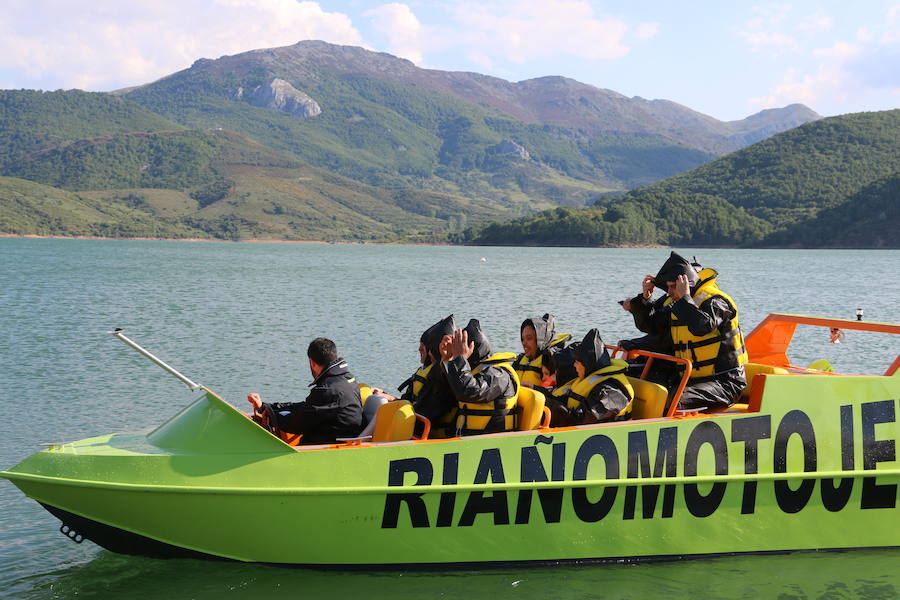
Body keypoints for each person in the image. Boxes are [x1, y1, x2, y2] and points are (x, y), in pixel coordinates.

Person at [627, 252, 748, 411]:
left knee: (672, 401)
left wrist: (684, 296)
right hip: (690, 380)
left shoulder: (717, 301)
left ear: (687, 284)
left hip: (726, 383)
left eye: (672, 287)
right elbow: (651, 325)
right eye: (667, 286)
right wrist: (645, 299)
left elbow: (701, 327)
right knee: (638, 381)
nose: (668, 292)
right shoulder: (677, 303)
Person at [248, 337, 363, 444]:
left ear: (312, 363)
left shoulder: (328, 390)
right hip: (340, 437)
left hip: (330, 447)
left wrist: (269, 417)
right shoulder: (347, 379)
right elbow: (308, 408)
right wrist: (267, 408)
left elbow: (297, 423)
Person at [367, 315, 458, 438]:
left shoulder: (442, 377)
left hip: (429, 435)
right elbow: (413, 402)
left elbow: (423, 411)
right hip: (416, 426)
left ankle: (359, 440)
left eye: (423, 345)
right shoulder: (426, 372)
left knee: (380, 406)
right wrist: (386, 396)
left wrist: (390, 405)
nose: (419, 348)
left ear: (433, 349)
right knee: (376, 399)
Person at [440, 319, 520, 436]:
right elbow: (444, 391)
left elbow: (468, 391)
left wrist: (460, 359)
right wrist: (447, 361)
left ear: (472, 348)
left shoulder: (498, 375)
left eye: (460, 347)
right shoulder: (470, 372)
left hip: (492, 443)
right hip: (468, 441)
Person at [546, 329, 633, 426]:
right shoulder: (589, 381)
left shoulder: (611, 393)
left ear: (587, 365)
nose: (574, 366)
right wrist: (536, 391)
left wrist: (552, 407)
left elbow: (582, 420)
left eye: (577, 362)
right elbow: (563, 399)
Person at [513, 314, 571, 388]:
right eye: (523, 339)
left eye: (529, 338)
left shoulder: (550, 360)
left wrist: (535, 388)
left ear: (540, 339)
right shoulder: (519, 360)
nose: (524, 343)